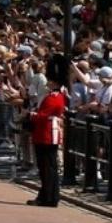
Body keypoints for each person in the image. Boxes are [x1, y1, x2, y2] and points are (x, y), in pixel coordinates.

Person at [30, 55, 71, 205]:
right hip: (47, 132)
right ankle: (49, 196)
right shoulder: (56, 96)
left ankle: (48, 197)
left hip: (46, 133)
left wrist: (30, 114)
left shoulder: (53, 97)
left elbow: (42, 115)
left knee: (47, 167)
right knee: (48, 167)